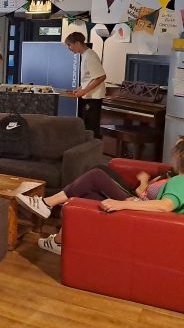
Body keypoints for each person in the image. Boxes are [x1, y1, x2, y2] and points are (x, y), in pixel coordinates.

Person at [16, 140, 184, 255]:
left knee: (96, 175)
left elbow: (165, 206)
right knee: (86, 194)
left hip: (142, 216)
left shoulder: (180, 181)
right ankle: (59, 240)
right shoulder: (175, 178)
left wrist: (122, 204)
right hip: (143, 210)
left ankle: (47, 205)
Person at [64, 31, 106, 138]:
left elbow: (101, 77)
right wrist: (79, 89)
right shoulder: (85, 55)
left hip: (93, 97)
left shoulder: (90, 55)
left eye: (69, 45)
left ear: (78, 43)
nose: (69, 48)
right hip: (89, 96)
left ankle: (94, 146)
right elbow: (89, 78)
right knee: (86, 125)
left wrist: (84, 91)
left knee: (91, 126)